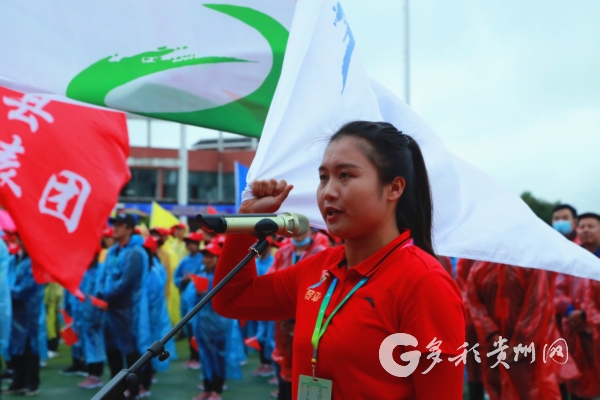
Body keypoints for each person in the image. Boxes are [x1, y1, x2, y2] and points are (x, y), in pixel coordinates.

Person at [213, 121, 466, 399]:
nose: (328, 192)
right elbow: (230, 299)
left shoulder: (424, 282)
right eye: (323, 177)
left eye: (345, 175)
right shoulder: (318, 269)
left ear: (394, 188)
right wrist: (247, 220)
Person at [467, 262, 561, 399]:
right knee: (500, 389)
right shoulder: (481, 267)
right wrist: (493, 335)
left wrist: (520, 342)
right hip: (495, 348)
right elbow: (474, 302)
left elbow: (537, 306)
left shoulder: (532, 266)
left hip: (527, 350)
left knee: (532, 390)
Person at [266, 228, 327, 400]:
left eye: (304, 227)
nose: (299, 233)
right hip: (283, 321)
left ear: (312, 229)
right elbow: (272, 278)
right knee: (283, 361)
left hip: (309, 320)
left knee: (311, 364)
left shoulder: (321, 252)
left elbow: (321, 288)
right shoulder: (284, 250)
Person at [97, 213, 149, 399]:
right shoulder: (112, 251)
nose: (115, 228)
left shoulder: (136, 252)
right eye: (115, 224)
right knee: (112, 349)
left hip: (126, 309)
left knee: (130, 349)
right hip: (109, 308)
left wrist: (105, 298)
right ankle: (115, 388)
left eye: (120, 225)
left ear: (129, 229)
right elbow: (102, 277)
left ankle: (133, 389)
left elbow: (127, 283)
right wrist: (100, 295)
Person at [190, 243, 240, 400]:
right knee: (205, 356)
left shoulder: (223, 276)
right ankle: (207, 387)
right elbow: (190, 298)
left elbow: (227, 299)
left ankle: (217, 390)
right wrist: (197, 293)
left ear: (218, 258)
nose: (207, 259)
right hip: (202, 324)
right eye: (205, 256)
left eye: (211, 256)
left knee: (219, 357)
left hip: (220, 325)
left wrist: (205, 294)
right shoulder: (201, 273)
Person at [3, 236, 44, 396]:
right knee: (15, 347)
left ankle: (31, 384)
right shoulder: (14, 259)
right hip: (14, 311)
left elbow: (28, 287)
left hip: (29, 311)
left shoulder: (35, 262)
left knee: (29, 347)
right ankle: (18, 381)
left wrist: (7, 294)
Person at [75, 253, 106, 390]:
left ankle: (95, 375)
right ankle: (92, 374)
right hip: (85, 316)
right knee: (89, 347)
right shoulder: (85, 271)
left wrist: (96, 315)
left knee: (96, 346)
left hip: (94, 316)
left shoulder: (100, 272)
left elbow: (98, 295)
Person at [174, 232, 204, 370]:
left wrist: (193, 280)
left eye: (192, 242)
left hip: (199, 300)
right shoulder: (184, 261)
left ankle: (199, 357)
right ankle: (193, 357)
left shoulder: (204, 259)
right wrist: (183, 281)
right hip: (186, 298)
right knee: (189, 328)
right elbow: (176, 278)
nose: (189, 245)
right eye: (188, 243)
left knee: (199, 329)